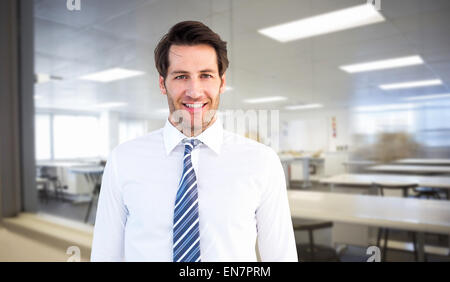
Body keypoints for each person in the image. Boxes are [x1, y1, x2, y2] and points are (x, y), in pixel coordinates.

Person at [91, 21, 297, 262]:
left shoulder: (262, 161)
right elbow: (106, 254)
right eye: (180, 76)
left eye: (206, 75)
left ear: (222, 82)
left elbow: (281, 256)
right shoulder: (123, 159)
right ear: (162, 84)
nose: (194, 91)